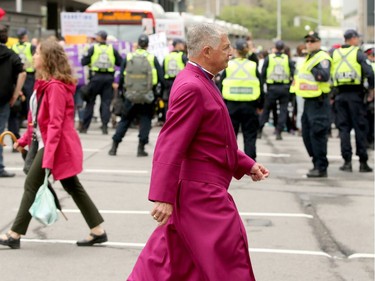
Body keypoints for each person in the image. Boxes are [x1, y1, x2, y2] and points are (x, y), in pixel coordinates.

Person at [127, 22, 269, 281]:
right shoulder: (193, 86)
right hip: (201, 192)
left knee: (172, 262)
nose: (230, 53)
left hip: (199, 188)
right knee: (226, 257)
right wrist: (163, 196)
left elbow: (212, 138)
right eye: (225, 48)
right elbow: (171, 142)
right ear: (206, 51)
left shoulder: (201, 80)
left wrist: (245, 164)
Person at [0, 39, 107, 249]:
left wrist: (48, 156)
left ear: (47, 58)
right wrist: (23, 140)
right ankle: (98, 230)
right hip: (47, 143)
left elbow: (56, 125)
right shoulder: (45, 83)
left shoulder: (56, 87)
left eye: (37, 53)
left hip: (55, 145)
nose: (34, 57)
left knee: (31, 184)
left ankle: (14, 233)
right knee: (73, 186)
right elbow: (38, 119)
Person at [108, 34, 164, 157]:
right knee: (145, 121)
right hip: (147, 96)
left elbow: (122, 77)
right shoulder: (151, 58)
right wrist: (158, 94)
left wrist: (123, 93)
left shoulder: (128, 57)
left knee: (125, 120)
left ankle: (114, 147)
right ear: (148, 45)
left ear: (138, 44)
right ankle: (141, 148)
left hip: (130, 96)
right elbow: (161, 78)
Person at [331, 29, 374, 172]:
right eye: (357, 38)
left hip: (339, 96)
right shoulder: (357, 53)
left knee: (343, 129)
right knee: (360, 128)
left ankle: (347, 162)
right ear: (352, 39)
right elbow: (370, 73)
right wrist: (372, 91)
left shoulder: (334, 53)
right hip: (355, 96)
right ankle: (362, 162)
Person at [294, 31, 332, 178]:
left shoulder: (322, 58)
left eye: (312, 41)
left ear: (319, 42)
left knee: (317, 134)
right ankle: (316, 162)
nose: (309, 43)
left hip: (319, 102)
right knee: (307, 134)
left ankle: (321, 166)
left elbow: (324, 76)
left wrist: (313, 69)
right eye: (307, 41)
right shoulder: (309, 58)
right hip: (309, 101)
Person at [219, 38, 263, 160]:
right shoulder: (253, 65)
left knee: (230, 137)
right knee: (250, 136)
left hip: (231, 106)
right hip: (250, 106)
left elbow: (220, 85)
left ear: (235, 51)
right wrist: (260, 105)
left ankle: (230, 160)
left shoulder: (229, 65)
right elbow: (260, 85)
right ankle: (250, 163)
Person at [80, 30, 122, 134]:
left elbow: (83, 61)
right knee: (106, 103)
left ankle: (84, 127)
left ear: (99, 38)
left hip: (95, 78)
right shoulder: (112, 49)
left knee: (90, 102)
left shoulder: (93, 48)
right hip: (108, 79)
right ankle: (104, 127)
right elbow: (120, 62)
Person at [0, 24, 26, 178]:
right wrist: (15, 95)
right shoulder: (11, 55)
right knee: (0, 132)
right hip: (3, 99)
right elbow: (22, 74)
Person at [258, 40, 295, 140]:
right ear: (283, 48)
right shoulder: (287, 58)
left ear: (275, 48)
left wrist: (264, 84)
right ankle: (279, 132)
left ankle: (259, 130)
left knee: (266, 110)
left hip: (272, 88)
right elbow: (293, 72)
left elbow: (263, 73)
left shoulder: (269, 58)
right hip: (284, 87)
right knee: (283, 111)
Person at [9, 28, 36, 139]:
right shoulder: (31, 47)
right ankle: (27, 119)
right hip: (28, 76)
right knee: (30, 100)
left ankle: (20, 120)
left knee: (18, 101)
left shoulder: (13, 47)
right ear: (25, 36)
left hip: (17, 76)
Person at [161, 38, 188, 123]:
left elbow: (162, 71)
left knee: (169, 104)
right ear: (177, 45)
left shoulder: (167, 57)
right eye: (182, 43)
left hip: (168, 83)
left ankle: (168, 121)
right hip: (180, 83)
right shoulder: (182, 56)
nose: (183, 45)